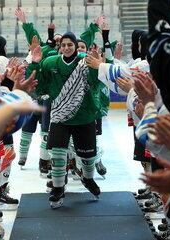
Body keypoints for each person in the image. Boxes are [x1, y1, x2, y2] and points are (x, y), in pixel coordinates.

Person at [28, 32, 109, 208]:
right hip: (59, 116)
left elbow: (96, 83)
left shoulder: (86, 61)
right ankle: (58, 189)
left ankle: (88, 180)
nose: (66, 48)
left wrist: (98, 66)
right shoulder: (49, 63)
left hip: (84, 115)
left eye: (70, 45)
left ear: (75, 45)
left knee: (88, 158)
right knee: (57, 155)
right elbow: (40, 85)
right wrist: (34, 64)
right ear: (59, 47)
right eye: (63, 45)